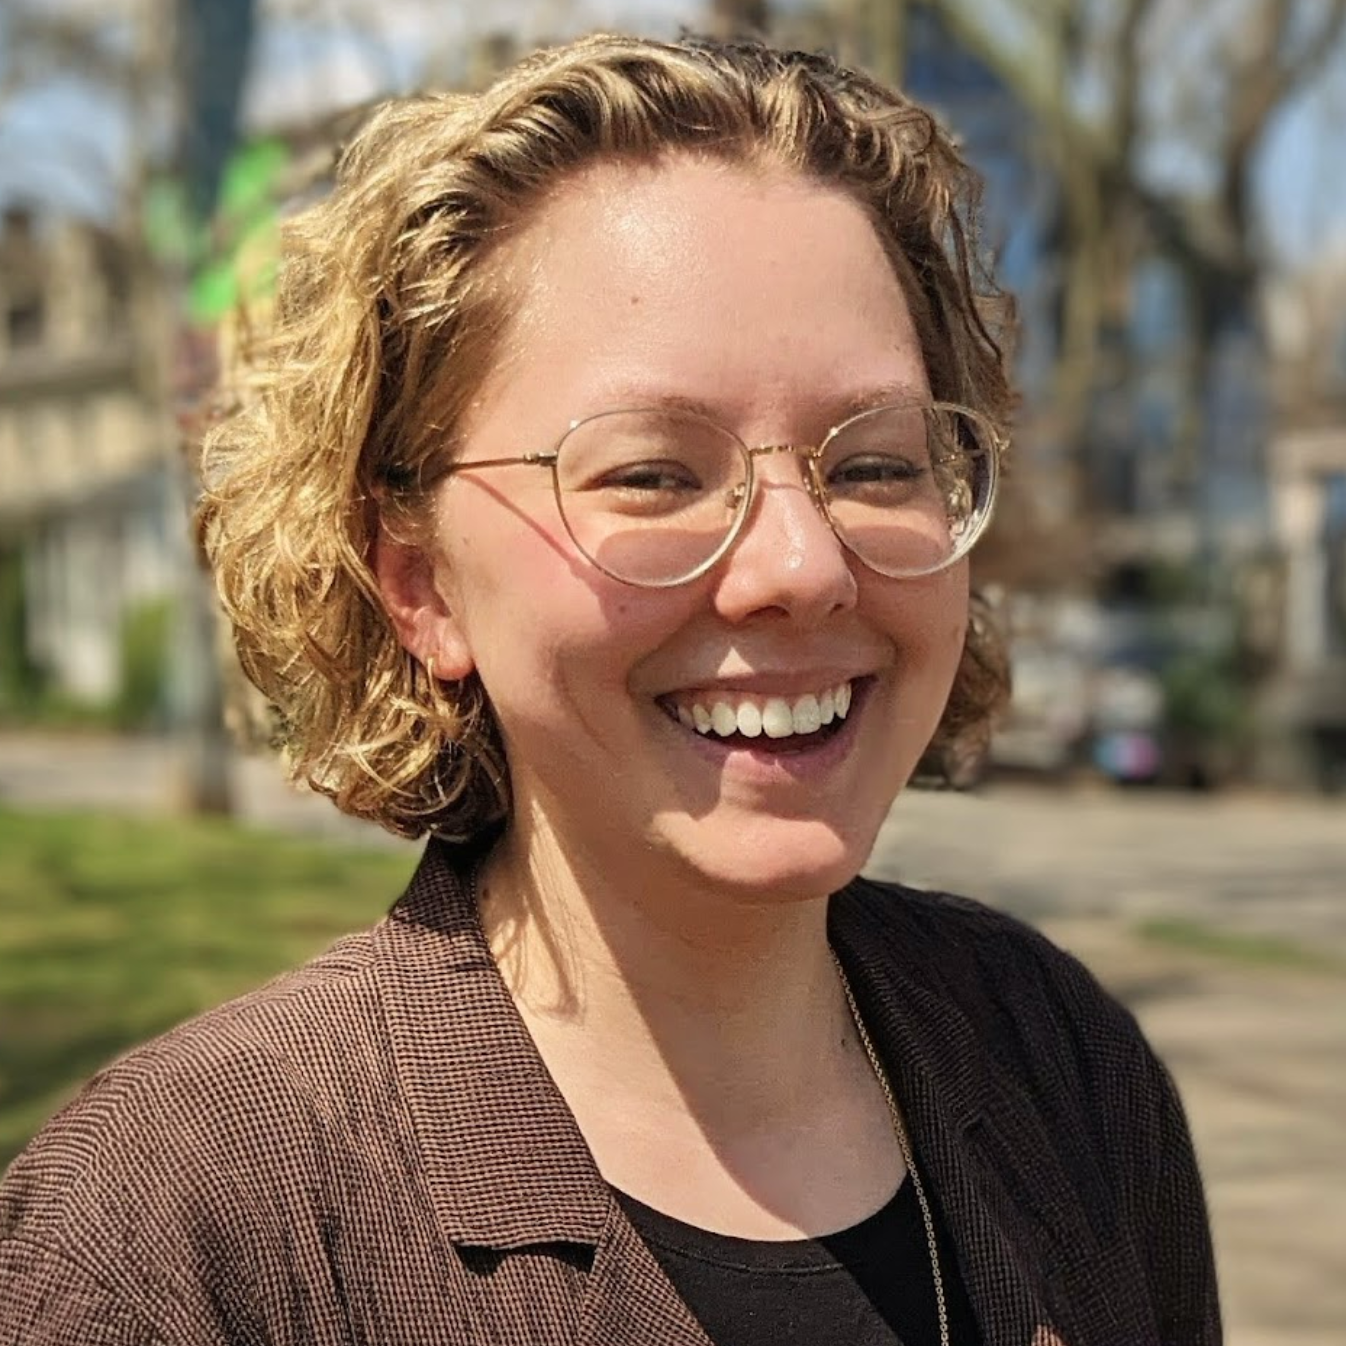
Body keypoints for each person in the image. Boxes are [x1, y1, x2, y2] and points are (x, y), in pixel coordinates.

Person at [0, 32, 1219, 1346]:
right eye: (650, 473)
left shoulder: (1061, 1069)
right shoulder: (183, 1232)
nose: (800, 565)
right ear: (419, 584)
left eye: (873, 464)